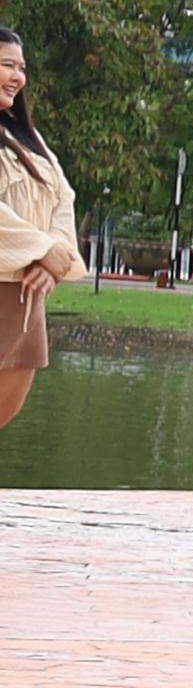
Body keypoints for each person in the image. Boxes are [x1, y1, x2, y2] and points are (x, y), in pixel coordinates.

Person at [0, 26, 77, 437]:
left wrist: (54, 260)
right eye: (6, 65)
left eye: (21, 68)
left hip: (27, 292)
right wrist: (42, 248)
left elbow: (62, 197)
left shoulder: (27, 138)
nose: (17, 77)